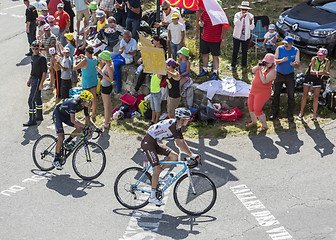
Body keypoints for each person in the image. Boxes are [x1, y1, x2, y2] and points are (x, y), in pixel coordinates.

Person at [140, 107, 200, 206]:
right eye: (187, 119)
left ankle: (158, 177)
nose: (188, 120)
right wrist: (192, 155)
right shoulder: (173, 125)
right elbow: (178, 143)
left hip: (154, 141)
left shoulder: (177, 126)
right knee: (156, 168)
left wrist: (192, 154)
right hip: (148, 142)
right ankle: (152, 197)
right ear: (182, 118)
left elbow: (182, 141)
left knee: (174, 156)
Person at [52, 90, 101, 170]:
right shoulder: (73, 103)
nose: (90, 104)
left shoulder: (84, 106)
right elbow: (72, 120)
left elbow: (88, 119)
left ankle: (66, 142)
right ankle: (56, 159)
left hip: (66, 115)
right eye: (89, 101)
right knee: (61, 137)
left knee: (80, 127)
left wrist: (97, 128)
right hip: (58, 114)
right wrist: (85, 126)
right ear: (83, 100)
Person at [270, 36, 300, 122]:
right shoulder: (279, 48)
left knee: (291, 95)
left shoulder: (296, 50)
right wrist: (281, 60)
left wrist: (295, 64)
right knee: (276, 94)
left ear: (292, 44)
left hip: (290, 75)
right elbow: (274, 61)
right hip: (279, 74)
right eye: (285, 43)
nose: (285, 44)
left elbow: (298, 64)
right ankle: (274, 113)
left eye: (287, 43)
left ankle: (290, 114)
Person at [298, 48, 330, 123]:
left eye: (321, 55)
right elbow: (311, 71)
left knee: (316, 97)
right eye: (318, 55)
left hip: (318, 78)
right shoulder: (314, 59)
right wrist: (319, 72)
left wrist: (323, 73)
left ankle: (314, 116)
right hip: (309, 76)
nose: (319, 57)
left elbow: (328, 73)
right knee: (305, 95)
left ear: (325, 55)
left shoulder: (327, 61)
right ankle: (301, 113)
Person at [246, 53, 276, 131]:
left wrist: (259, 70)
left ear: (273, 63)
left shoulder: (273, 71)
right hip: (253, 90)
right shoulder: (262, 66)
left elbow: (264, 80)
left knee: (257, 109)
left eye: (269, 62)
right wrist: (258, 66)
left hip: (263, 92)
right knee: (250, 106)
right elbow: (252, 70)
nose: (266, 63)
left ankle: (264, 125)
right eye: (265, 61)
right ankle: (254, 122)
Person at [197, 10, 227, 80]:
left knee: (215, 57)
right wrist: (200, 23)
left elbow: (224, 27)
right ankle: (205, 70)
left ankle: (215, 72)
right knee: (205, 54)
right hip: (205, 38)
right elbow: (200, 20)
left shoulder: (221, 14)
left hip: (215, 39)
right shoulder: (205, 12)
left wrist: (223, 39)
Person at [24, 40, 47, 126]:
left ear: (39, 48)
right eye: (33, 49)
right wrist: (29, 79)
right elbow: (32, 69)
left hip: (38, 79)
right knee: (37, 98)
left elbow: (44, 72)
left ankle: (32, 119)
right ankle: (39, 115)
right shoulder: (33, 56)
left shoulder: (42, 58)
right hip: (33, 78)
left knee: (31, 100)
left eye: (36, 49)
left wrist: (41, 84)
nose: (34, 50)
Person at [73, 46, 99, 117]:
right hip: (94, 80)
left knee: (87, 99)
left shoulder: (84, 61)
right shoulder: (95, 59)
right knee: (94, 98)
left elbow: (74, 68)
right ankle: (93, 113)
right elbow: (89, 60)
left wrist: (74, 60)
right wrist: (84, 57)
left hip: (87, 82)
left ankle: (87, 115)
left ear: (86, 52)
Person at [230, 1, 254, 70]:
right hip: (237, 36)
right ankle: (233, 65)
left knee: (244, 51)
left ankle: (244, 65)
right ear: (240, 9)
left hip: (245, 36)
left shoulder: (251, 16)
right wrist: (241, 17)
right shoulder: (237, 15)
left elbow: (251, 28)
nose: (244, 11)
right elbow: (236, 24)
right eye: (242, 9)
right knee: (235, 51)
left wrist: (250, 21)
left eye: (245, 10)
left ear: (248, 10)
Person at [96, 50, 114, 128]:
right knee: (108, 104)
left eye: (102, 58)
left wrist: (101, 73)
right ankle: (108, 120)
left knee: (106, 106)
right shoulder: (107, 65)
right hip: (105, 86)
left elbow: (110, 79)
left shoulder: (109, 67)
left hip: (107, 87)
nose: (100, 59)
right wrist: (100, 70)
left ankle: (106, 123)